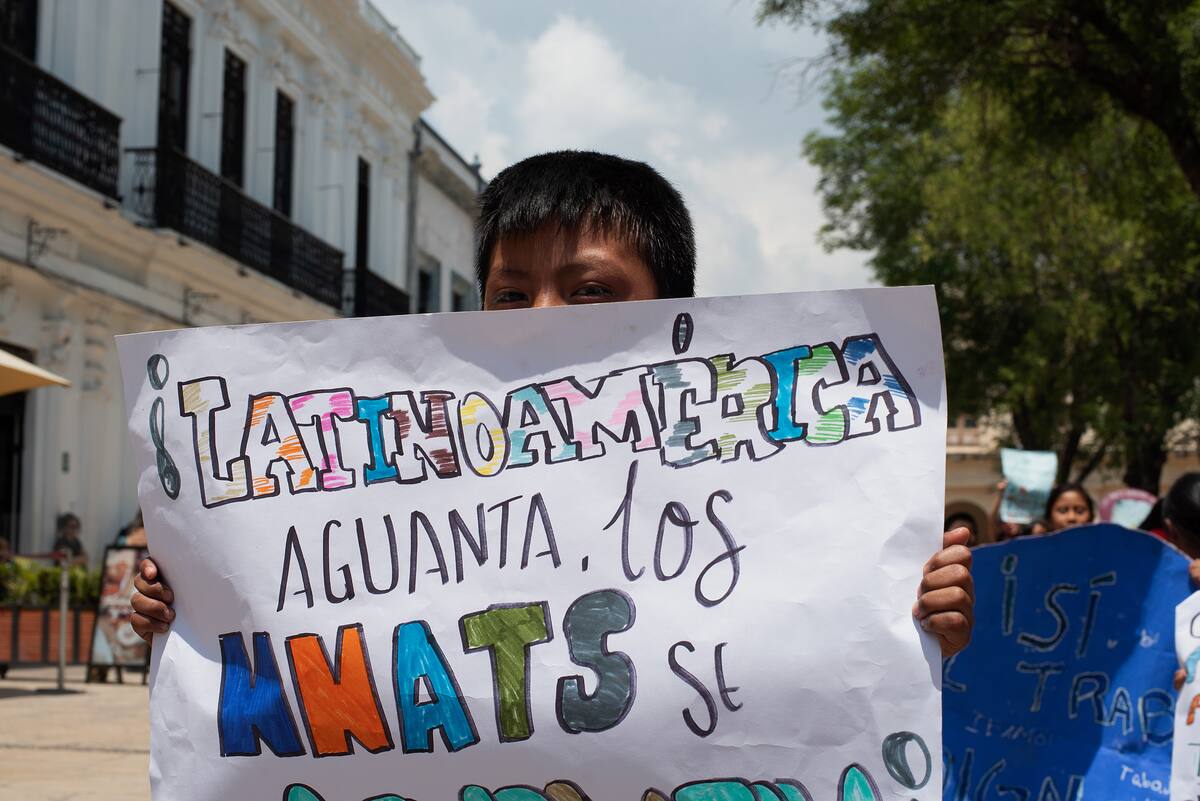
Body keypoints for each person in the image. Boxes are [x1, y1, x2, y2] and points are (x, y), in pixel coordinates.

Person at [131, 150, 975, 659]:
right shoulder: (404, 469)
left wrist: (921, 624)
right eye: (511, 294)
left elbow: (841, 666)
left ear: (677, 312)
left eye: (592, 290)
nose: (542, 320)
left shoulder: (790, 480)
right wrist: (194, 601)